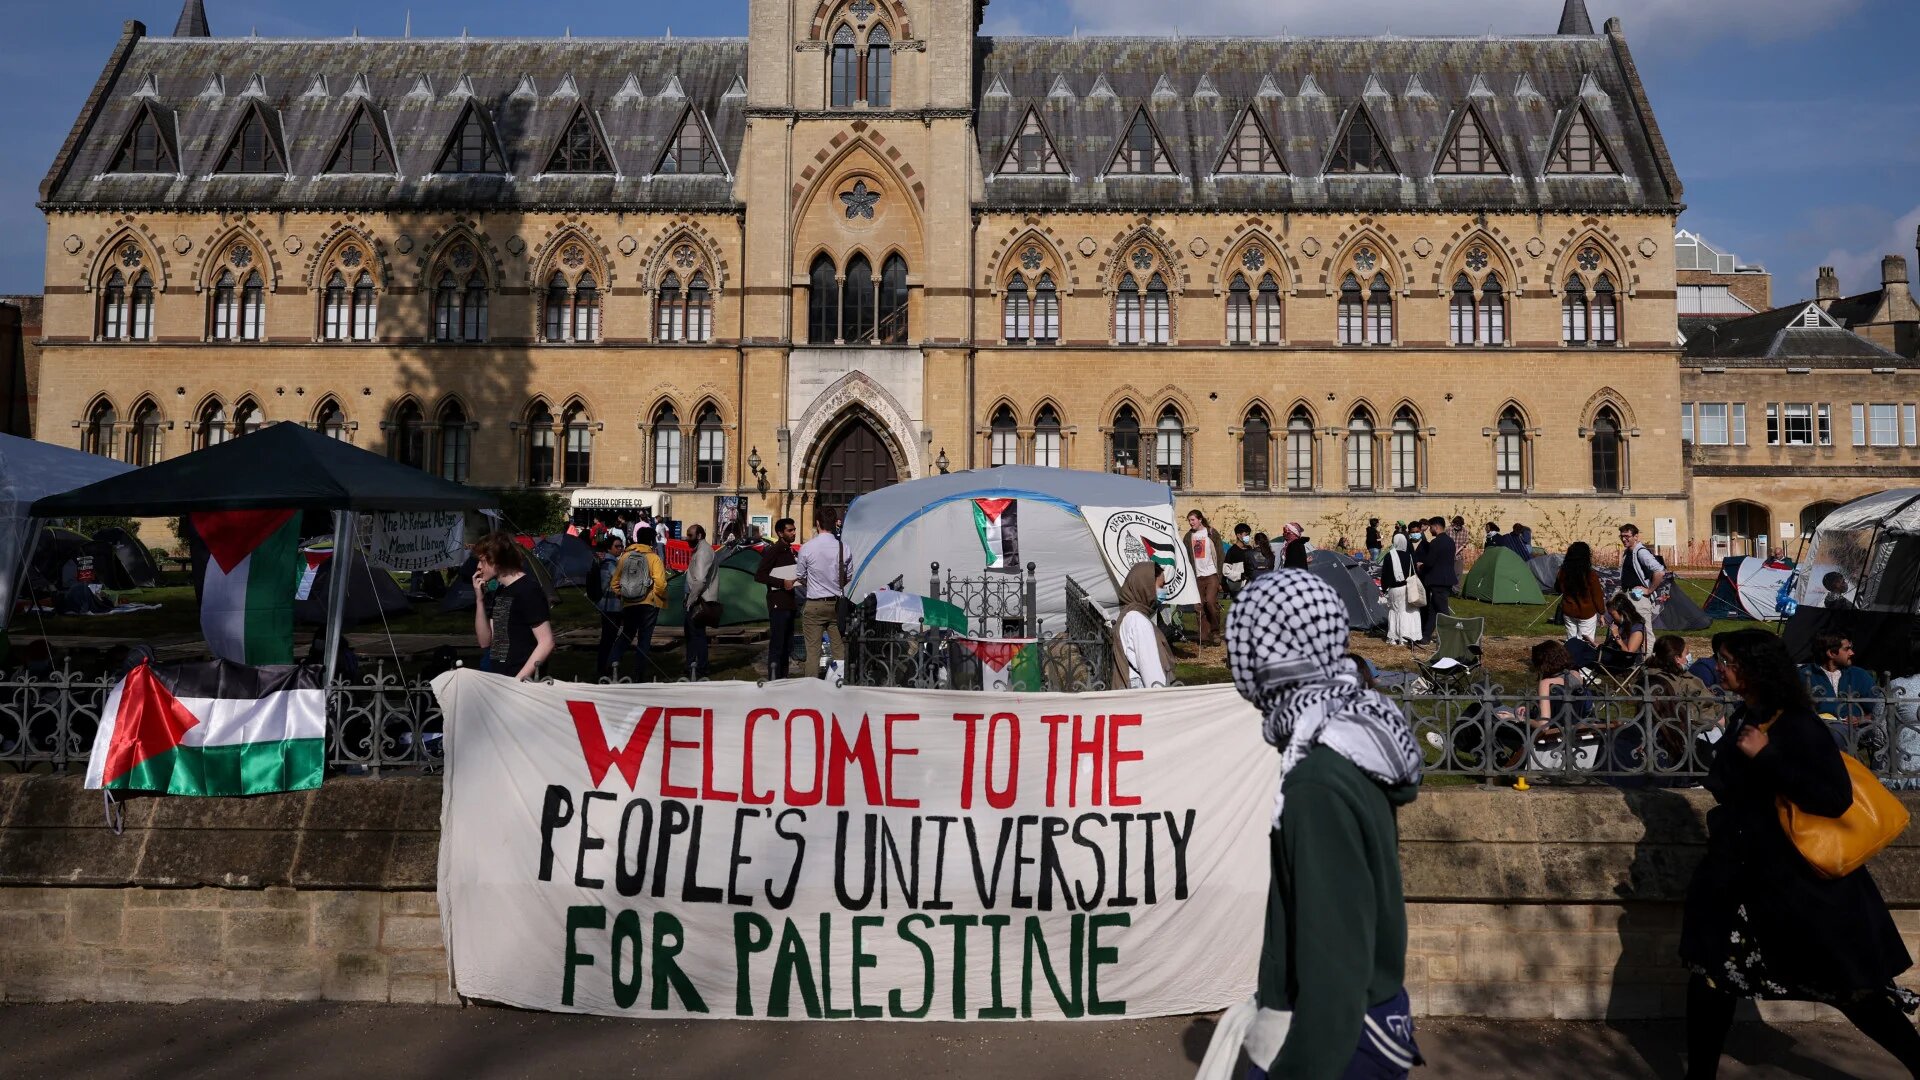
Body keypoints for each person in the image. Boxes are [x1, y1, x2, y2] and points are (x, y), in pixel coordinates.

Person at [1681, 629, 1920, 1079]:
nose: (1722, 668)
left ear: (1755, 669)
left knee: (1852, 992)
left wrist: (1767, 757)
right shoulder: (1744, 716)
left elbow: (1832, 798)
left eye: (1728, 660)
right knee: (1711, 978)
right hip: (1739, 882)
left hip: (1794, 888)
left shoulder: (1796, 724)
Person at [1221, 571, 1424, 1078]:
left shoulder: (1317, 780)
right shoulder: (1346, 736)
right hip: (1358, 1030)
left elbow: (1335, 976)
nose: (1234, 661)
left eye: (1242, 643)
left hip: (1334, 1042)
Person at [471, 532, 554, 682]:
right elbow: (485, 641)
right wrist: (479, 600)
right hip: (500, 679)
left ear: (496, 560)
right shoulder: (501, 591)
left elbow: (546, 642)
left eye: (482, 561)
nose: (478, 567)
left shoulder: (528, 590)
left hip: (522, 684)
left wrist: (518, 682)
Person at [1800, 632, 1882, 755]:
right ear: (1831, 653)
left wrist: (1861, 719)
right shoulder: (1804, 676)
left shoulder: (1858, 675)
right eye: (1847, 649)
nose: (1852, 653)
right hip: (1815, 728)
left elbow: (1879, 708)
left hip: (1851, 730)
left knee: (1835, 735)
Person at [609, 526, 668, 681]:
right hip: (649, 603)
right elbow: (661, 584)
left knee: (626, 635)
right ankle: (639, 674)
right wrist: (658, 596)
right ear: (651, 540)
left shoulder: (625, 556)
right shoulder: (654, 558)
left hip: (629, 603)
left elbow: (614, 582)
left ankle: (611, 664)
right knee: (644, 639)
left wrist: (623, 594)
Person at [795, 506, 848, 679]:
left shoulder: (808, 547)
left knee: (813, 651)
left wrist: (813, 583)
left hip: (815, 603)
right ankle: (839, 682)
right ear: (835, 524)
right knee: (838, 648)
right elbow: (848, 576)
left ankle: (812, 688)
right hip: (835, 604)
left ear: (817, 523)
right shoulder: (843, 548)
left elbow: (800, 575)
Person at [1109, 561, 1175, 689]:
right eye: (1161, 586)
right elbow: (1153, 676)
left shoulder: (1128, 614)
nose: (1164, 591)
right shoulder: (1138, 621)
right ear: (1146, 587)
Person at [755, 517, 799, 679]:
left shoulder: (789, 549)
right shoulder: (774, 550)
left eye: (794, 529)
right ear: (780, 533)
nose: (794, 533)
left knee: (787, 646)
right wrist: (781, 583)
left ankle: (783, 679)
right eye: (790, 530)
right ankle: (774, 679)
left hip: (789, 602)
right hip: (778, 603)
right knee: (777, 645)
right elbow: (760, 575)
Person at [1187, 510, 1227, 647]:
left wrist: (1220, 576)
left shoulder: (1211, 533)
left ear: (1200, 520)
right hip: (1197, 575)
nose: (1190, 523)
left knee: (1210, 602)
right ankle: (1203, 636)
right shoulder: (1189, 536)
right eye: (1189, 520)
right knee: (1199, 606)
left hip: (1211, 574)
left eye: (1192, 520)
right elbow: (1186, 556)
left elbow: (1220, 555)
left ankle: (1215, 632)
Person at [681, 523, 717, 680]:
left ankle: (699, 668)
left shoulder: (703, 552)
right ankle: (692, 665)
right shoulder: (700, 550)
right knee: (692, 634)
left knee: (697, 635)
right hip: (696, 598)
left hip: (698, 600)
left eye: (690, 535)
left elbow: (700, 580)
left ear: (699, 536)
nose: (687, 538)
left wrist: (691, 599)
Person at [1414, 516, 1457, 644]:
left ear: (1436, 527)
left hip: (1438, 580)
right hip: (1446, 579)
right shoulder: (1450, 541)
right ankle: (1426, 636)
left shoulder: (1436, 542)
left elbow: (1430, 561)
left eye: (1431, 527)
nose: (1430, 530)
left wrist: (1421, 565)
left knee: (1442, 610)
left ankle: (1451, 636)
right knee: (1433, 609)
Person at [1555, 541, 1606, 643]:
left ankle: (1570, 657)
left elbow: (1557, 588)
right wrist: (1602, 613)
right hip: (1586, 613)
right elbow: (1597, 596)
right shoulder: (1590, 575)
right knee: (1585, 643)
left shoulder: (1563, 572)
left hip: (1569, 611)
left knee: (1571, 641)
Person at [590, 534, 625, 679]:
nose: (620, 548)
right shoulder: (608, 564)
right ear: (609, 548)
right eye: (617, 546)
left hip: (616, 607)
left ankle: (607, 666)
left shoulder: (615, 563)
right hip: (609, 607)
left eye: (621, 546)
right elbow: (603, 585)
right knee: (607, 639)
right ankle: (602, 667)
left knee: (610, 638)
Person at [1619, 523, 1666, 627]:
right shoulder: (1627, 552)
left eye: (1627, 536)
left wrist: (1650, 590)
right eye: (1622, 536)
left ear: (1636, 536)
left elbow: (1659, 571)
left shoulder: (1641, 552)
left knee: (1645, 632)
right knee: (1632, 631)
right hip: (1629, 596)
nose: (1623, 539)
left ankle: (1648, 645)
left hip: (1640, 598)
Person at [1378, 531, 1420, 646]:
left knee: (1394, 612)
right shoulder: (1409, 555)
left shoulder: (1389, 555)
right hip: (1406, 588)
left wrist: (1384, 588)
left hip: (1393, 589)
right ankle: (1404, 638)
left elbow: (1385, 574)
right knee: (1405, 612)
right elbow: (1414, 572)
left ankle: (1393, 637)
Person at [1446, 516, 1472, 580]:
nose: (1458, 526)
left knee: (1458, 574)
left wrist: (1457, 551)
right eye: (1456, 524)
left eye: (1459, 525)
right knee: (1448, 574)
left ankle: (1456, 589)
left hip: (1459, 556)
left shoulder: (1465, 531)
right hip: (1448, 556)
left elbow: (1465, 542)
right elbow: (1445, 541)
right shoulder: (1448, 529)